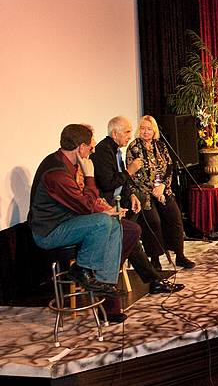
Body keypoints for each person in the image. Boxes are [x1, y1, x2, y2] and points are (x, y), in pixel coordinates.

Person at [90, 117, 184, 296]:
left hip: (124, 199)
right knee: (137, 228)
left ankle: (169, 264)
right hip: (107, 207)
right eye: (127, 131)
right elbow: (108, 183)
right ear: (115, 133)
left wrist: (132, 194)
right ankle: (140, 274)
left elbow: (122, 184)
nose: (130, 135)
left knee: (141, 226)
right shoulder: (104, 151)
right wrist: (130, 171)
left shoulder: (116, 149)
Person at [28, 124, 123, 297]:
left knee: (114, 223)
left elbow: (83, 204)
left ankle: (105, 283)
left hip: (66, 221)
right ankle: (81, 269)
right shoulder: (57, 173)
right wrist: (90, 176)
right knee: (102, 222)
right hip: (48, 232)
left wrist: (104, 210)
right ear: (80, 148)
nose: (92, 152)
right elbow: (86, 207)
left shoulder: (66, 164)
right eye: (91, 147)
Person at [126, 115, 195, 269]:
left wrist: (163, 186)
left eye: (149, 129)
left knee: (175, 218)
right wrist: (153, 190)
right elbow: (134, 175)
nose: (145, 131)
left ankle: (180, 256)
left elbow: (169, 167)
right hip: (144, 193)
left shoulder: (161, 146)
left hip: (163, 190)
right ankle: (155, 260)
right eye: (143, 128)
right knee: (154, 222)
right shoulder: (134, 147)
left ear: (154, 130)